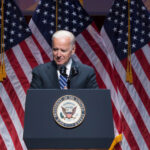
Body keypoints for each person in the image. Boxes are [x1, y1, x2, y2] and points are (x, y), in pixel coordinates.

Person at [30, 30, 98, 89]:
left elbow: (94, 100)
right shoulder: (39, 72)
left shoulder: (87, 73)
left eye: (63, 50)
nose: (58, 55)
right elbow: (34, 101)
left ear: (73, 50)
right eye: (55, 49)